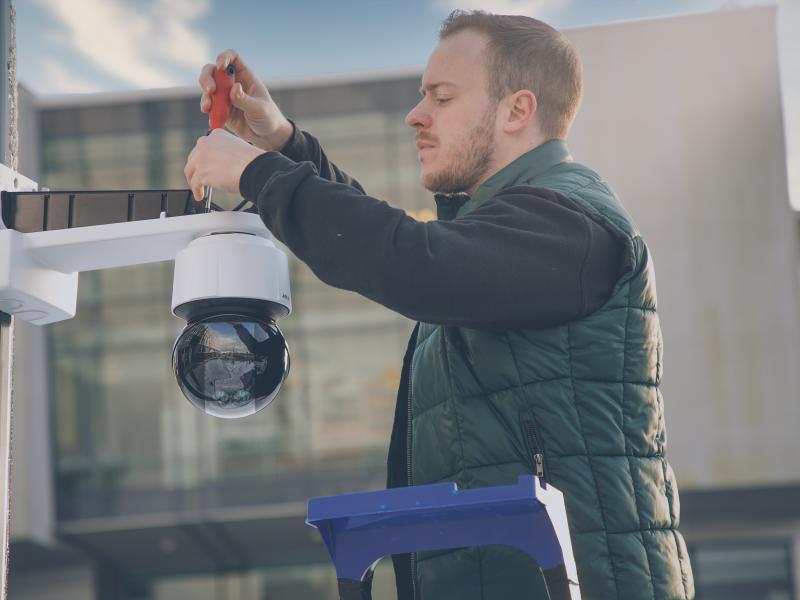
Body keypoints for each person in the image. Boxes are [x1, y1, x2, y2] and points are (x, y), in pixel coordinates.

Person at [184, 10, 695, 600]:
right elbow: (411, 249)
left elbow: (409, 259)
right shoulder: (504, 231)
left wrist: (260, 173)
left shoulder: (569, 223)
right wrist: (282, 142)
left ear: (517, 111)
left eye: (442, 98)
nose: (415, 116)